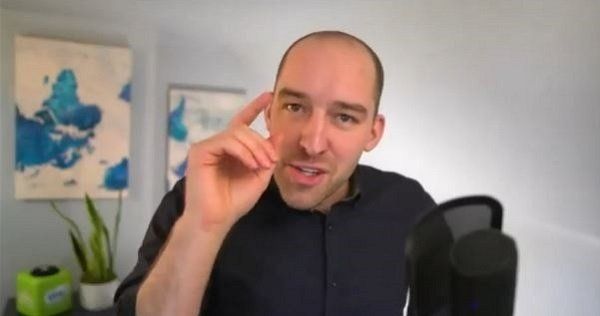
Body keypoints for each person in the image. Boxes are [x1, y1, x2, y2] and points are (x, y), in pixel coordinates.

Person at [115, 30, 435, 315]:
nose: (312, 143)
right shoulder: (198, 197)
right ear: (269, 114)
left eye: (345, 117)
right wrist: (205, 226)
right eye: (295, 107)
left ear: (373, 133)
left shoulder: (411, 205)